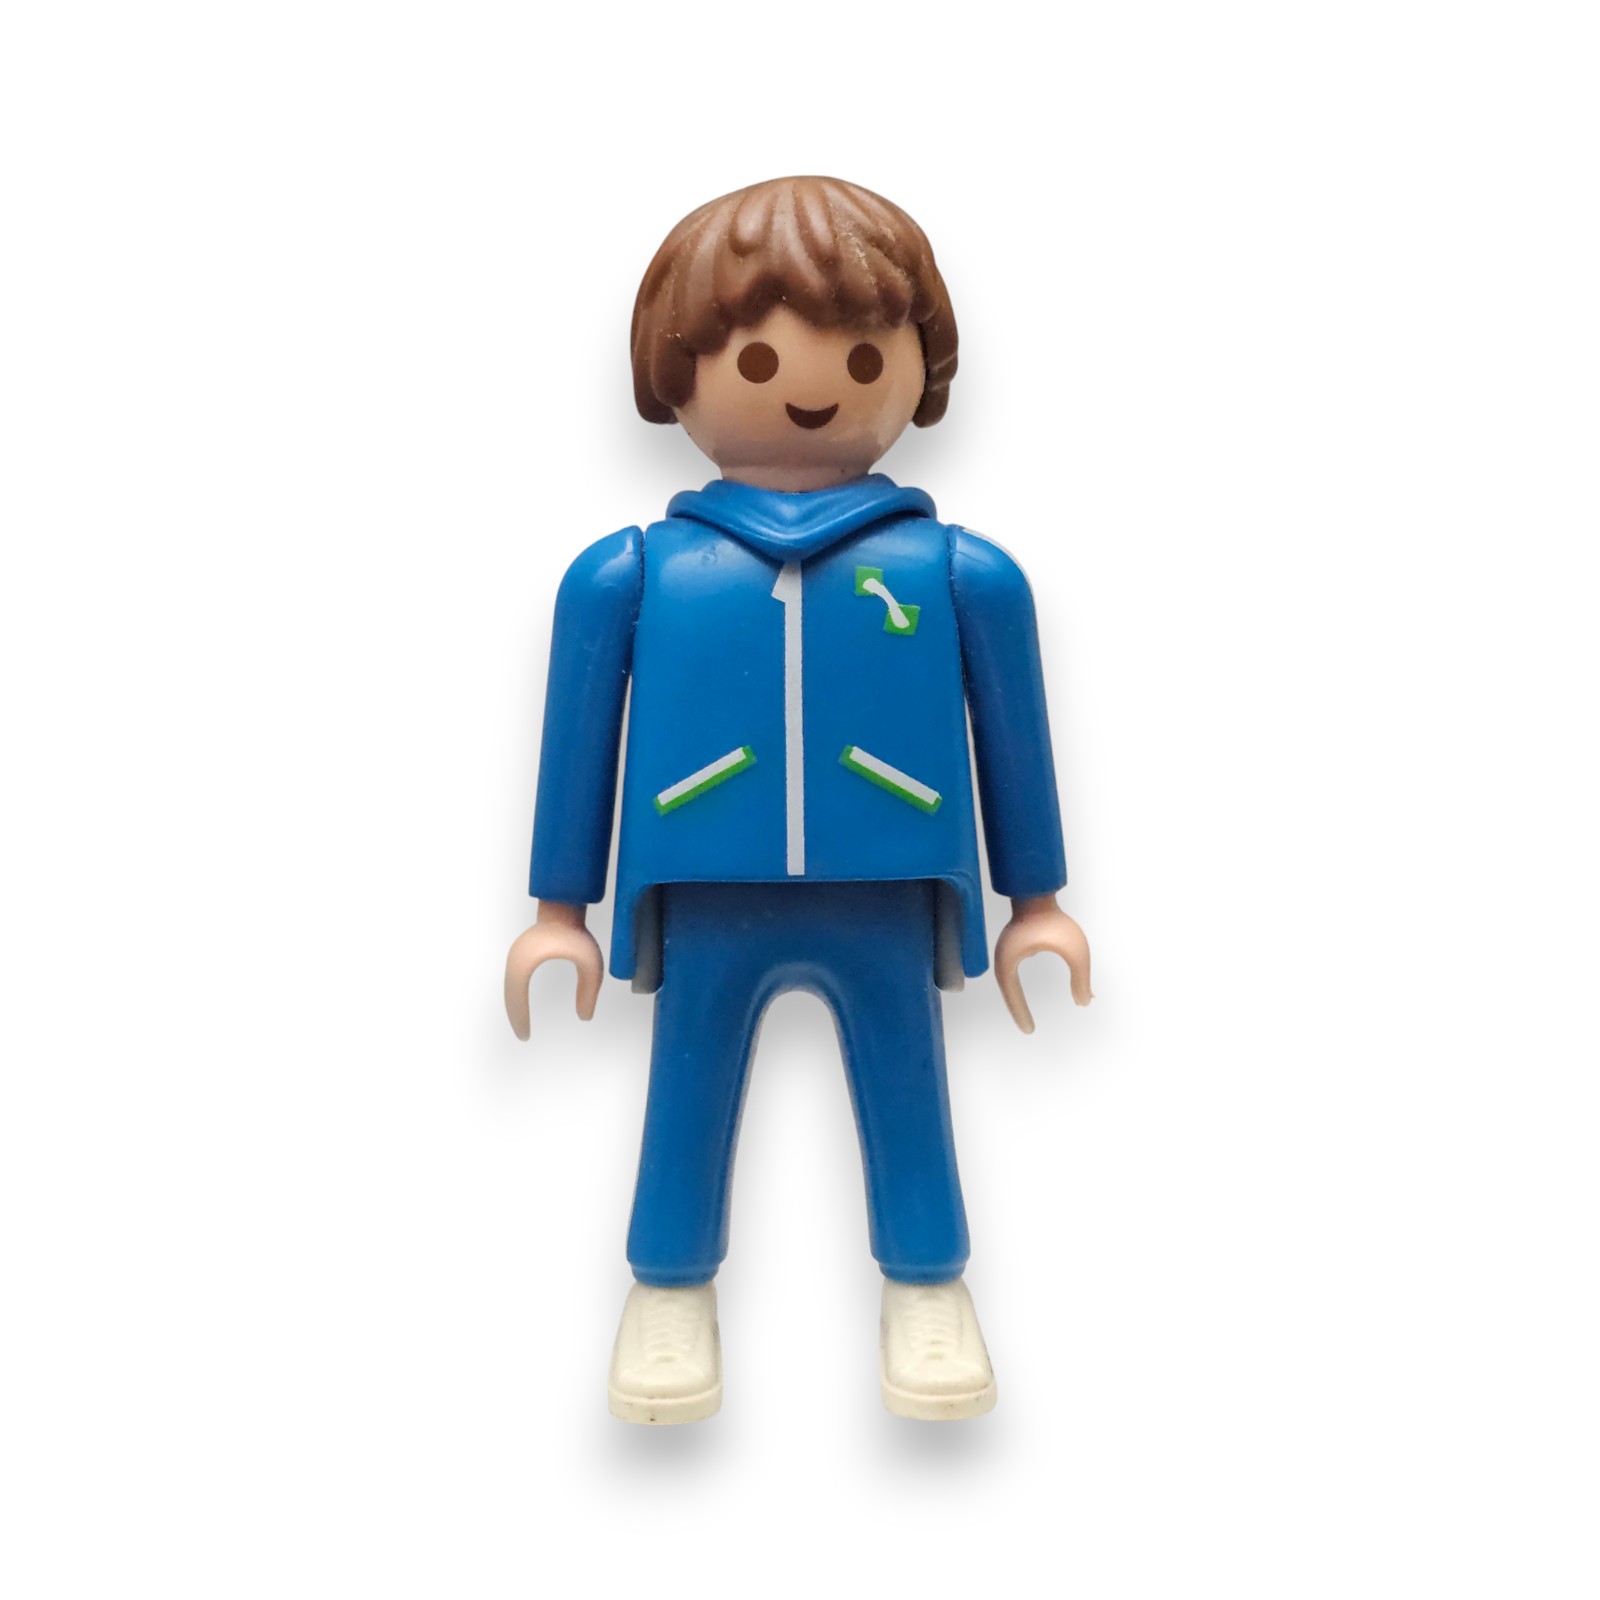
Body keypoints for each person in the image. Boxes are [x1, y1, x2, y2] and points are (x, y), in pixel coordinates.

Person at [505, 176, 1091, 1423]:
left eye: (864, 355)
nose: (813, 388)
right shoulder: (632, 572)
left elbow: (1014, 738)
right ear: (676, 367)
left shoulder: (960, 573)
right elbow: (577, 740)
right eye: (758, 357)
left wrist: (1035, 898)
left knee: (907, 1080)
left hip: (888, 875)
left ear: (916, 372)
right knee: (686, 1085)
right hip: (704, 876)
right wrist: (559, 909)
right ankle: (667, 1287)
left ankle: (928, 1282)